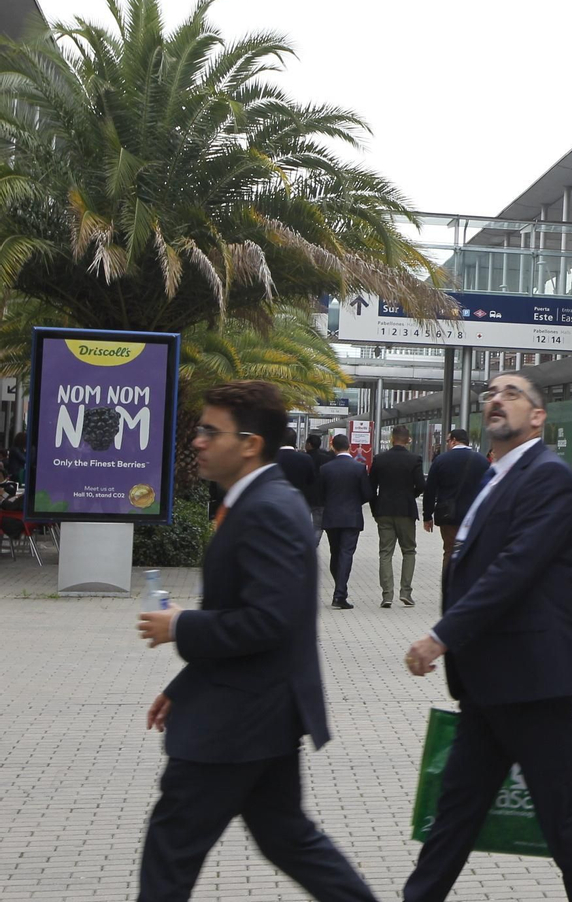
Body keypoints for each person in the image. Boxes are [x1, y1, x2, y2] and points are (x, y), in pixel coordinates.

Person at [134, 381, 377, 902]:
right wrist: (186, 682)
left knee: (171, 848)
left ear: (249, 443)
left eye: (209, 431)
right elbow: (249, 616)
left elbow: (268, 622)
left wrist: (179, 626)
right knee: (287, 838)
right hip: (254, 710)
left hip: (236, 722)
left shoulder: (267, 509)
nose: (197, 441)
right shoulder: (257, 502)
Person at [401, 370, 572, 902]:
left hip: (532, 683)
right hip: (488, 685)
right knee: (452, 818)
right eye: (490, 394)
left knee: (565, 821)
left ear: (538, 416)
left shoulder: (548, 477)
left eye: (512, 394)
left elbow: (513, 570)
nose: (496, 399)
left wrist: (442, 636)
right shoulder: (493, 477)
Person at [422, 429, 491, 589]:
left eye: (447, 441)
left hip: (448, 516)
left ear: (453, 440)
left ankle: (449, 588)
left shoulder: (441, 460)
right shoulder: (481, 461)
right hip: (475, 516)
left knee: (449, 550)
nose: (447, 444)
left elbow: (430, 490)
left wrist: (427, 516)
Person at [370, 425, 426, 609]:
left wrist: (375, 509)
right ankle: (406, 592)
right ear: (408, 440)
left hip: (384, 510)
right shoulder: (415, 459)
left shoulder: (379, 459)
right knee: (408, 551)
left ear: (392, 439)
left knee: (385, 552)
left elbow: (371, 488)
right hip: (406, 510)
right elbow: (421, 484)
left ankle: (387, 595)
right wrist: (412, 495)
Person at [317, 434, 371, 610]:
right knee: (346, 554)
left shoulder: (325, 469)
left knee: (335, 553)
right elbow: (367, 493)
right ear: (349, 446)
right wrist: (355, 503)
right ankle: (340, 593)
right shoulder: (359, 468)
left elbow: (320, 494)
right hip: (351, 517)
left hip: (332, 516)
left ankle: (340, 590)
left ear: (333, 447)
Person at [272, 429, 317, 502]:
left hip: (275, 501)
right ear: (295, 441)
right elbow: (311, 481)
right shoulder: (306, 458)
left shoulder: (271, 458)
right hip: (298, 501)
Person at [304, 434, 333, 545]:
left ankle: (305, 544)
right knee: (318, 525)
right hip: (321, 497)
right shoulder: (326, 458)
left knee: (303, 522)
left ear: (309, 444)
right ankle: (313, 544)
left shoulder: (304, 458)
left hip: (305, 497)